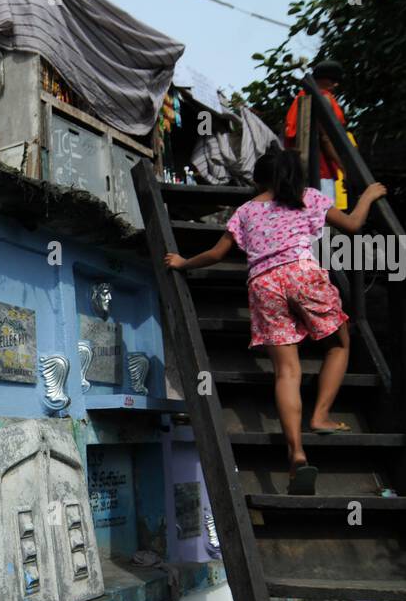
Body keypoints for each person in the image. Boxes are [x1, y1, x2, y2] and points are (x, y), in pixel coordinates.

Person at [164, 147, 386, 495]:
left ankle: (296, 452)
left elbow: (217, 254)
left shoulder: (246, 211)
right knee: (340, 344)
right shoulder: (308, 198)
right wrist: (369, 195)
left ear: (257, 179)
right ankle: (320, 416)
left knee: (287, 372)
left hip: (263, 284)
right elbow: (354, 225)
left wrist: (182, 262)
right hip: (302, 275)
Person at [284, 60, 346, 203]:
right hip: (321, 171)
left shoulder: (301, 99)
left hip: (297, 172)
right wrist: (343, 166)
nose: (336, 84)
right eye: (333, 80)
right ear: (322, 79)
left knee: (308, 219)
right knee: (327, 219)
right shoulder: (323, 98)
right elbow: (326, 137)